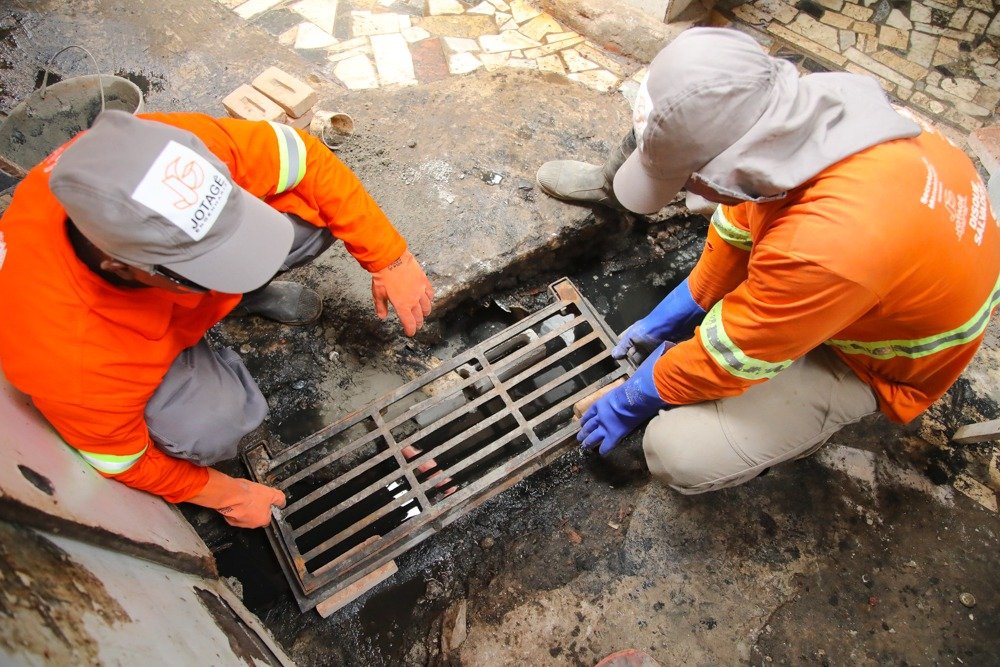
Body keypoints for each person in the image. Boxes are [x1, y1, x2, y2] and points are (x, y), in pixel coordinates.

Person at [537, 28, 999, 493]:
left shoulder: (826, 246)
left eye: (686, 183)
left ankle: (802, 430)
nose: (683, 194)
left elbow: (730, 359)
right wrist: (679, 310)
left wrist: (633, 397)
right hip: (881, 282)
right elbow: (741, 222)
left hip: (879, 357)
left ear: (730, 169)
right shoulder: (798, 122)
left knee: (678, 452)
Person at [0, 110, 435, 527]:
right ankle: (206, 326)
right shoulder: (62, 352)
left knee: (316, 209)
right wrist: (227, 493)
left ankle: (236, 293)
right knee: (213, 426)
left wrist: (391, 259)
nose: (250, 259)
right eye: (207, 267)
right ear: (122, 267)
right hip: (131, 345)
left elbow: (303, 157)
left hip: (167, 300)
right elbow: (121, 460)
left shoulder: (165, 159)